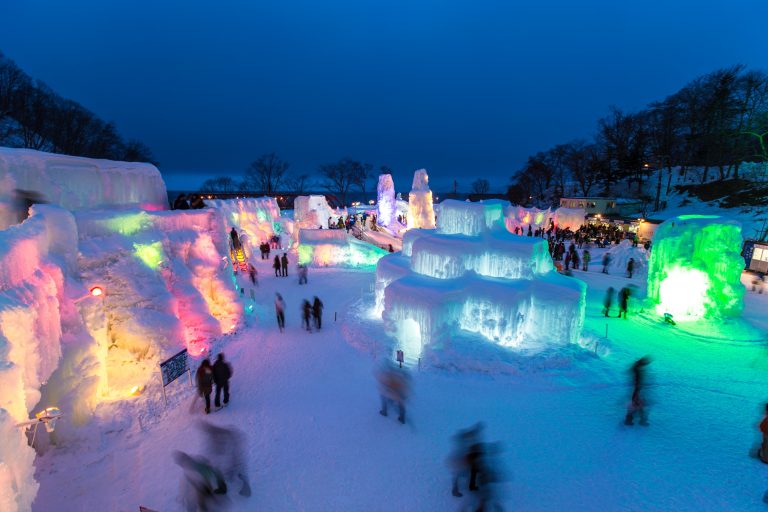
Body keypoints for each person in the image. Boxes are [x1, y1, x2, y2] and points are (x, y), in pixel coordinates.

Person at [625, 357, 651, 426]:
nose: (645, 365)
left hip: (637, 390)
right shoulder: (637, 369)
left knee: (637, 406)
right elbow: (637, 381)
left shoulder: (637, 368)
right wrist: (639, 390)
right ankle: (636, 421)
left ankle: (631, 420)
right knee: (638, 406)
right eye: (645, 364)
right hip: (637, 391)